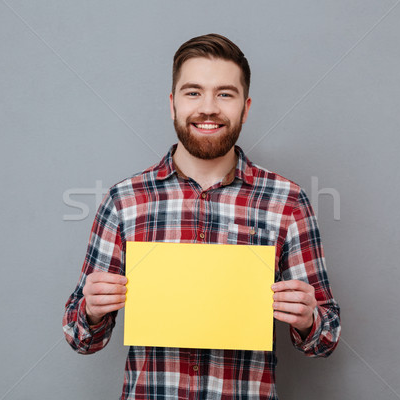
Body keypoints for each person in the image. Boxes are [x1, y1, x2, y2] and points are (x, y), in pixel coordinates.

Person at [63, 33, 341, 399]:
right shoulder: (124, 200)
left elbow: (325, 339)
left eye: (225, 93)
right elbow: (79, 337)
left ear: (245, 107)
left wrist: (308, 319)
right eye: (193, 92)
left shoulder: (287, 201)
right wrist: (93, 309)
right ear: (172, 104)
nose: (208, 107)